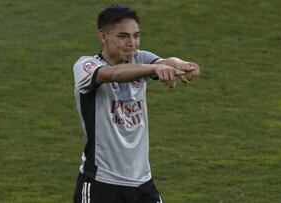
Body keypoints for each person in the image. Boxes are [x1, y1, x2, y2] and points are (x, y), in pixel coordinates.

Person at [72, 4, 200, 203]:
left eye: (136, 36)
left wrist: (178, 64)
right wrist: (152, 70)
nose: (132, 43)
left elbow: (164, 61)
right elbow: (113, 74)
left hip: (142, 183)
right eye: (123, 36)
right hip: (101, 183)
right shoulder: (86, 66)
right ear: (103, 36)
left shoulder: (140, 59)